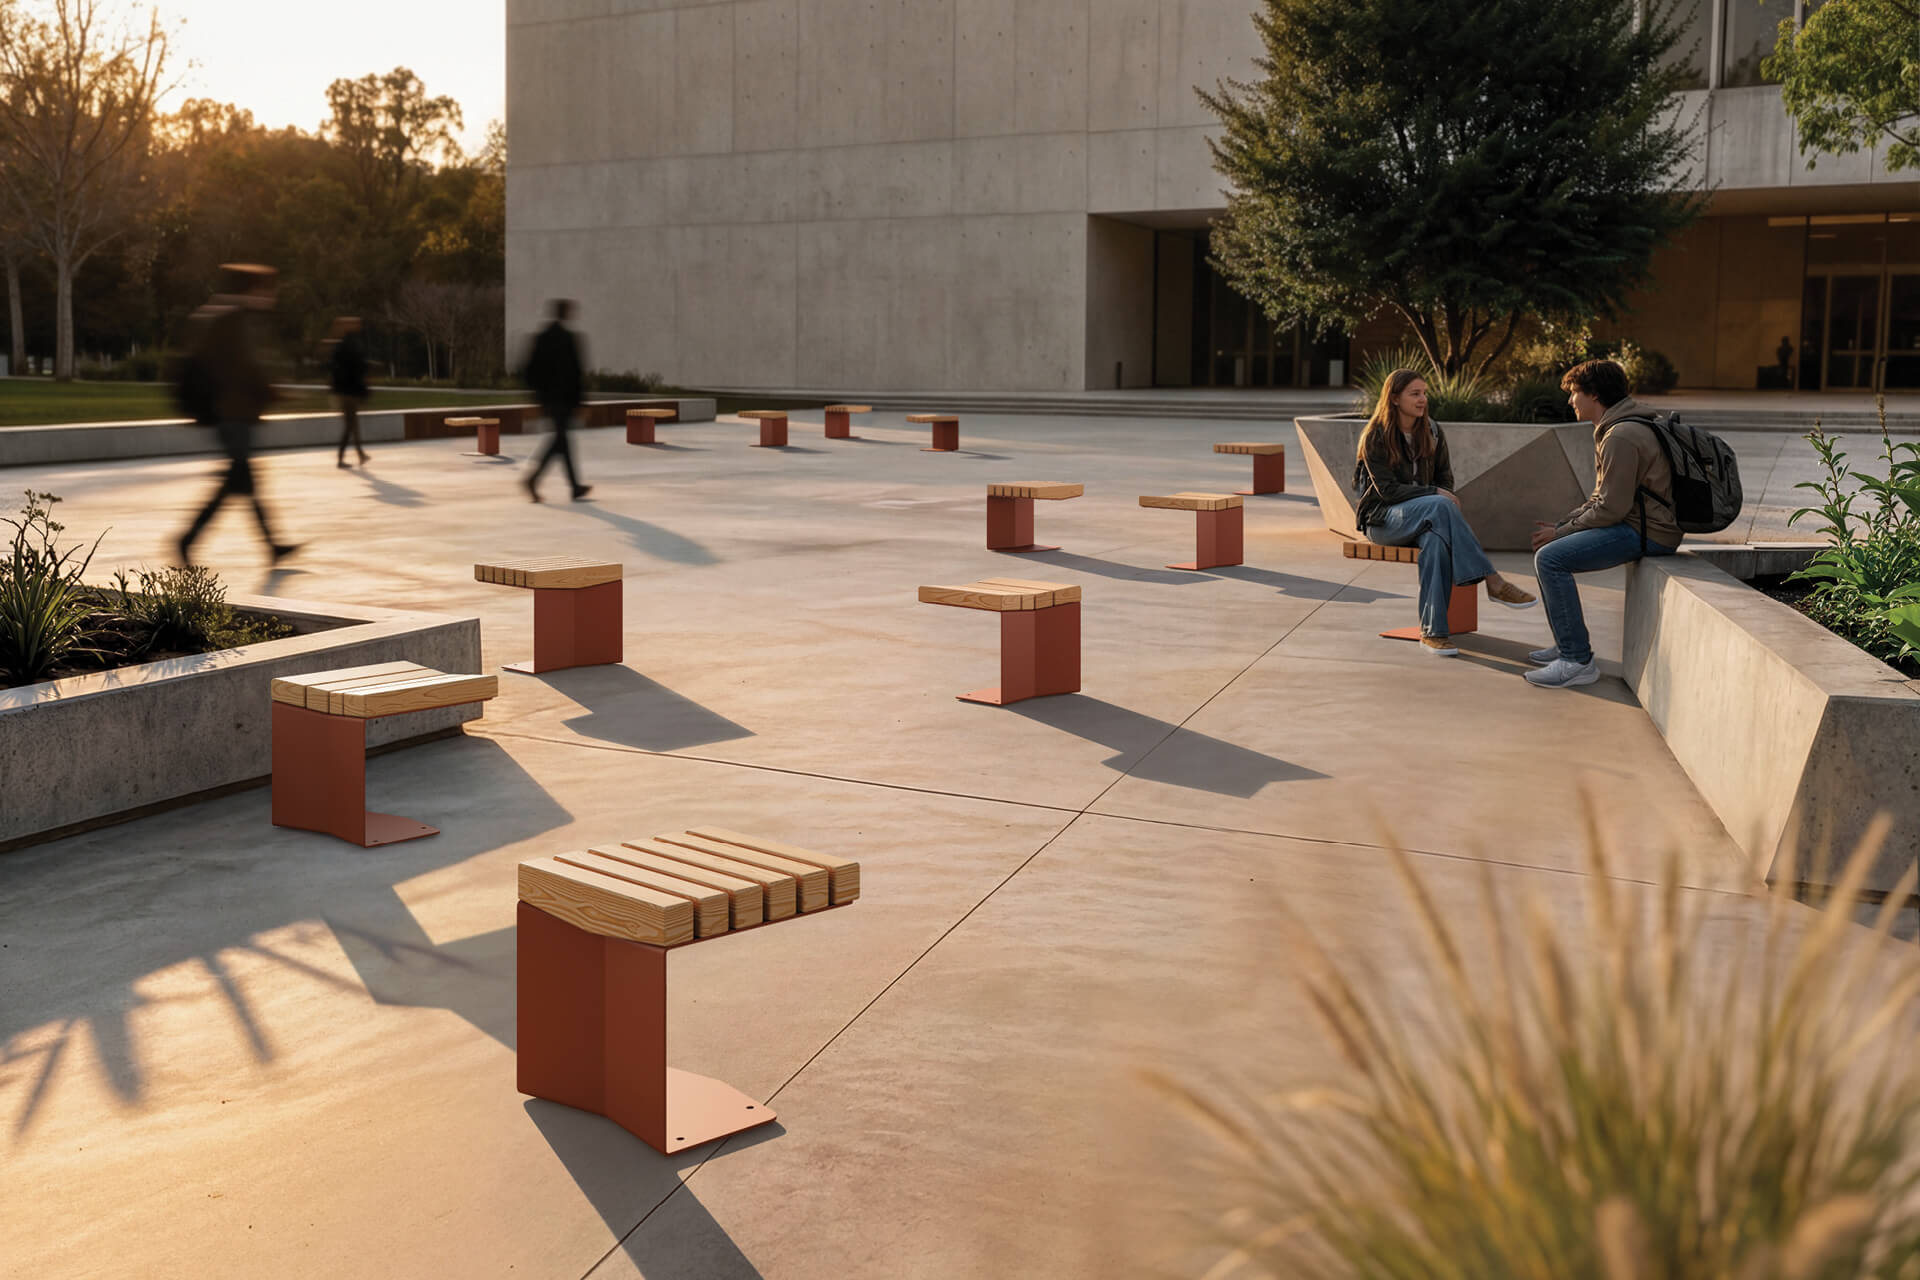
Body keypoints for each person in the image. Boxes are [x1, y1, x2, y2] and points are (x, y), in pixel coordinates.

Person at [1353, 369, 1536, 655]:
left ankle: (1434, 633)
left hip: (1427, 520)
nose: (1423, 399)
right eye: (1415, 394)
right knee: (1440, 504)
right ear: (1395, 398)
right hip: (1384, 520)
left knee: (1436, 543)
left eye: (1424, 393)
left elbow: (1445, 480)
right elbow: (1387, 492)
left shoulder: (1433, 432)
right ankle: (1493, 581)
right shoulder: (1375, 436)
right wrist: (1434, 494)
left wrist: (1438, 494)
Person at [1525, 358, 1681, 689]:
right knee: (1551, 549)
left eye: (1574, 393)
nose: (1570, 401)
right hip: (1641, 523)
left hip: (1649, 532)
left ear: (1593, 394)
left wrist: (1562, 531)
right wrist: (1563, 524)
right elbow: (1603, 499)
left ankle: (1576, 660)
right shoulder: (1619, 427)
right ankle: (1566, 643)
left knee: (1550, 558)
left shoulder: (1622, 436)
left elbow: (1611, 508)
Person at [177, 264, 299, 566]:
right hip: (232, 413)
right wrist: (273, 392)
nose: (272, 296)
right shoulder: (233, 321)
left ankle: (270, 545)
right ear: (255, 289)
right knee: (240, 479)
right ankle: (188, 539)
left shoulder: (223, 317)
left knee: (240, 482)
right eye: (268, 289)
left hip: (230, 413)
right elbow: (243, 368)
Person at [521, 298, 590, 502]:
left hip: (548, 399)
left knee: (562, 441)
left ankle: (574, 487)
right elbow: (576, 374)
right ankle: (533, 479)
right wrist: (581, 402)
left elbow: (528, 370)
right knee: (560, 440)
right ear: (565, 313)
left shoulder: (541, 338)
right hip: (564, 400)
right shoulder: (569, 338)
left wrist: (537, 395)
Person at [328, 316, 371, 468]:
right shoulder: (348, 345)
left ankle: (360, 454)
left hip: (344, 392)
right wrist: (363, 390)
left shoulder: (343, 345)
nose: (358, 326)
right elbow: (357, 369)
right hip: (347, 393)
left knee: (353, 424)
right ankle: (341, 457)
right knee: (350, 425)